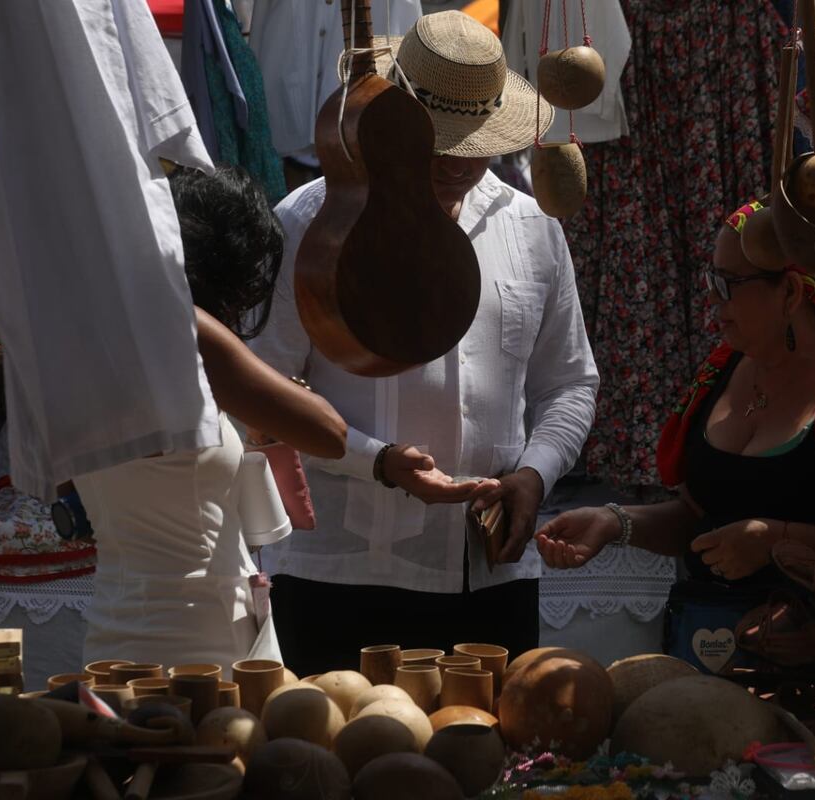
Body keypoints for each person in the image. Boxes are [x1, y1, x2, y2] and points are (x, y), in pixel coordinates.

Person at [249, 11, 598, 676]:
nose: (455, 164)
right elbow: (260, 394)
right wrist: (375, 461)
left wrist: (535, 472)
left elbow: (571, 381)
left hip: (490, 575)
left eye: (474, 144)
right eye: (437, 143)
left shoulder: (530, 227)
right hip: (341, 576)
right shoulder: (310, 222)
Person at [536, 200, 815, 585]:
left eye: (728, 284)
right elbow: (700, 519)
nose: (713, 299)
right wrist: (614, 521)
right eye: (710, 279)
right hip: (702, 632)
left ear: (791, 292)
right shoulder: (723, 369)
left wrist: (778, 541)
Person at [73, 166, 347, 671]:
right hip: (198, 639)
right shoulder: (184, 332)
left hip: (116, 628)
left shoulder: (92, 335)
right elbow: (329, 432)